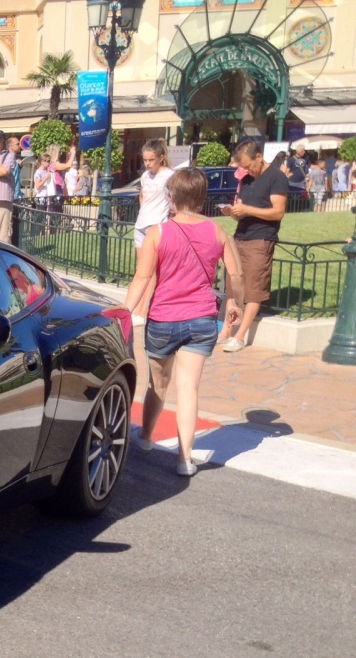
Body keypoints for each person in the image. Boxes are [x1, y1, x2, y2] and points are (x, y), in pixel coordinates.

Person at [123, 166, 245, 477]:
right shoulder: (217, 231)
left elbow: (142, 277)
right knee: (189, 388)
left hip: (163, 318)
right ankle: (185, 458)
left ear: (172, 197)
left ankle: (147, 437)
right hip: (202, 319)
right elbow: (236, 274)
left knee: (158, 385)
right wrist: (234, 303)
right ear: (203, 197)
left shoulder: (158, 233)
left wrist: (124, 312)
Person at [222, 138, 288, 352]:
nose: (245, 170)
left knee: (254, 287)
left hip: (260, 238)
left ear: (259, 157)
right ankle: (227, 330)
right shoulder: (247, 179)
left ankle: (240, 336)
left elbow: (278, 212)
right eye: (241, 166)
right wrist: (233, 213)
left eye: (248, 165)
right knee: (232, 285)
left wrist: (248, 210)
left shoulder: (276, 177)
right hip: (241, 235)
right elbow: (241, 212)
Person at [135, 139, 174, 249]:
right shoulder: (145, 175)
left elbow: (176, 198)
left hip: (157, 224)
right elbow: (142, 195)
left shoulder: (169, 175)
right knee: (142, 264)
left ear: (161, 158)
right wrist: (144, 210)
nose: (147, 163)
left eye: (151, 160)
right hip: (140, 224)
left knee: (156, 262)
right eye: (145, 160)